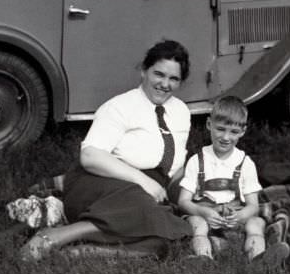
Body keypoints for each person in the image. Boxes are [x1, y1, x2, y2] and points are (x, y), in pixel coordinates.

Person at [21, 40, 193, 260]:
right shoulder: (119, 106)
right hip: (100, 182)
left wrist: (192, 192)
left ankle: (85, 252)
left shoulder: (181, 112)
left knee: (165, 238)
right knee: (144, 209)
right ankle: (55, 236)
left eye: (174, 79)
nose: (165, 84)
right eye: (159, 74)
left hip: (145, 191)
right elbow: (91, 156)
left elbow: (175, 167)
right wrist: (144, 181)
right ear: (143, 71)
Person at [177, 96, 290, 265]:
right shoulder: (197, 160)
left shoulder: (245, 163)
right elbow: (183, 201)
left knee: (256, 223)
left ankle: (259, 259)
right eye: (220, 129)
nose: (226, 137)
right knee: (197, 224)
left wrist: (241, 215)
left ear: (242, 132)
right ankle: (204, 259)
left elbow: (253, 206)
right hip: (206, 213)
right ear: (209, 125)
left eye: (233, 132)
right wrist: (203, 212)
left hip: (235, 215)